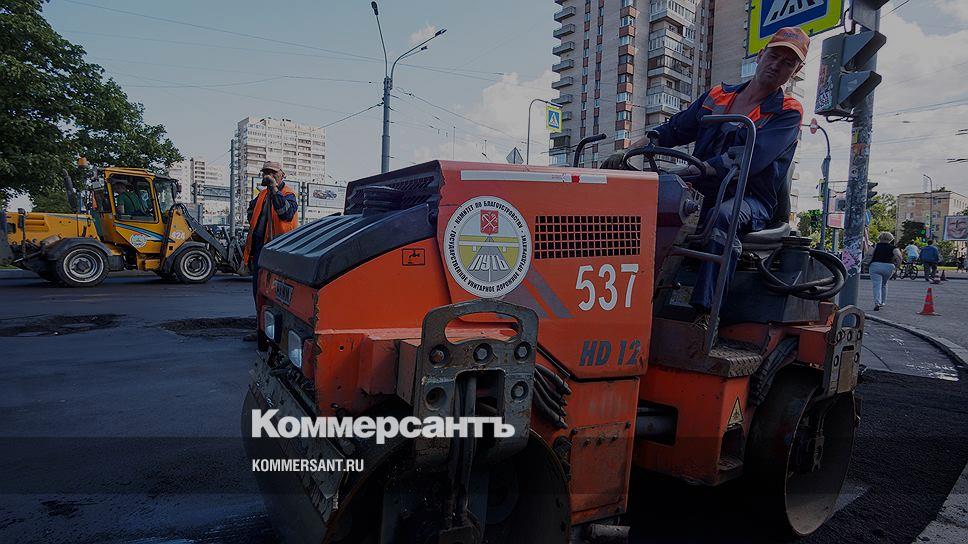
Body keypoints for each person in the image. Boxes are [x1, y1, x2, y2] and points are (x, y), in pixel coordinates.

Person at [602, 26, 808, 332]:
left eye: (788, 63)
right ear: (761, 55)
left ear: (796, 71)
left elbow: (747, 160)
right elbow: (673, 129)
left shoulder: (787, 112)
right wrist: (629, 151)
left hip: (750, 198)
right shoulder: (717, 95)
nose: (777, 65)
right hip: (702, 190)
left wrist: (687, 172)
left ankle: (705, 315)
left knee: (722, 217)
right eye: (774, 56)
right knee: (648, 209)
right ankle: (631, 299)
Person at [243, 160, 298, 302]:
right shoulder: (262, 195)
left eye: (273, 173)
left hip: (279, 251)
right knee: (258, 290)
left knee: (275, 291)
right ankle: (261, 314)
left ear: (282, 175)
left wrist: (274, 189)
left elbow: (285, 214)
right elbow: (251, 212)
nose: (269, 176)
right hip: (260, 249)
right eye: (266, 172)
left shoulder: (288, 194)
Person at [869, 232, 902, 311]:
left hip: (875, 265)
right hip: (888, 266)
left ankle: (877, 302)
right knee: (884, 284)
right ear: (890, 239)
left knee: (876, 285)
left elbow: (868, 254)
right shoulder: (893, 248)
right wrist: (897, 266)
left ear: (879, 238)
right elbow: (899, 256)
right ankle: (883, 302)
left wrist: (866, 263)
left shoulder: (874, 246)